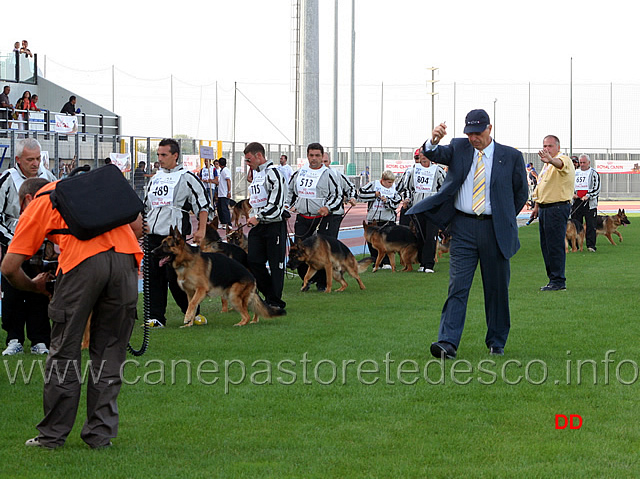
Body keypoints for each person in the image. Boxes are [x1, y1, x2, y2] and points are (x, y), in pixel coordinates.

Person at [1, 171, 143, 449]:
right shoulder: (92, 189)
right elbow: (137, 225)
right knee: (110, 353)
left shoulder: (41, 200)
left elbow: (8, 267)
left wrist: (34, 286)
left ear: (27, 197)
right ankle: (100, 435)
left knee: (64, 352)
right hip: (126, 261)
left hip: (81, 265)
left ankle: (52, 436)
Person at [407, 109, 528, 358]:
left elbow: (520, 194)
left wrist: (503, 217)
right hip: (462, 229)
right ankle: (447, 343)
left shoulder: (511, 156)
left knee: (496, 289)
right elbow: (432, 153)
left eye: (478, 132)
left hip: (495, 230)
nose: (474, 138)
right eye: (469, 133)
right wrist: (433, 140)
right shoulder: (458, 147)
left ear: (489, 128)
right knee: (457, 287)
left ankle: (496, 341)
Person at [144, 138, 210, 328]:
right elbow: (146, 206)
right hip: (153, 236)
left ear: (175, 155)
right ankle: (156, 317)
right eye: (158, 155)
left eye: (164, 155)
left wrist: (202, 229)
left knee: (176, 279)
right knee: (153, 277)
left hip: (174, 239)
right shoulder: (155, 178)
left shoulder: (187, 177)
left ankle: (192, 312)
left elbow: (203, 204)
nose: (160, 158)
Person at [0, 139, 57, 356]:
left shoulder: (49, 178)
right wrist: (12, 242)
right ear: (18, 160)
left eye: (37, 158)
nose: (35, 163)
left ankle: (40, 339)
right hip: (14, 245)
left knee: (40, 290)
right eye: (30, 159)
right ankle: (14, 338)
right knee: (12, 292)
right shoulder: (6, 180)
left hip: (42, 247)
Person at [287, 142, 342, 291]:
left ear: (322, 156)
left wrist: (328, 207)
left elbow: (337, 196)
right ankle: (306, 280)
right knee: (300, 250)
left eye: (317, 155)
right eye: (311, 155)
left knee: (323, 252)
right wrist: (286, 207)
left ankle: (322, 282)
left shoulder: (329, 174)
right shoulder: (299, 173)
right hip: (303, 217)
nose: (314, 159)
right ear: (307, 156)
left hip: (322, 218)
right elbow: (289, 192)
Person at [244, 142, 288, 310]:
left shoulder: (275, 173)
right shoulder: (257, 176)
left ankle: (275, 301)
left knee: (276, 264)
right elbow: (255, 201)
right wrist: (251, 216)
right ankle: (269, 295)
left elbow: (277, 204)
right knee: (254, 261)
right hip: (258, 226)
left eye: (249, 160)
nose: (248, 164)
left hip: (274, 225)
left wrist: (259, 216)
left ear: (259, 156)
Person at [529, 135, 575, 291]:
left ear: (558, 147)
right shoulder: (547, 166)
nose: (546, 149)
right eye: (544, 145)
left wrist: (551, 160)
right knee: (546, 246)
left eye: (550, 146)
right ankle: (553, 279)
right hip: (545, 208)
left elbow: (560, 164)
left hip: (556, 208)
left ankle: (558, 281)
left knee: (554, 246)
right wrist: (536, 206)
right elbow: (543, 186)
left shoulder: (563, 159)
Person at [398, 149, 446, 273]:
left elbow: (445, 186)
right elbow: (407, 188)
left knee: (431, 235)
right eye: (421, 156)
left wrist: (439, 199)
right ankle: (422, 263)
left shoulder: (438, 170)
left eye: (425, 155)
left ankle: (429, 264)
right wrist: (407, 199)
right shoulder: (413, 171)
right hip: (418, 206)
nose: (423, 158)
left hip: (433, 208)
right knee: (420, 235)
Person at [358, 170, 402, 268]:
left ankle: (387, 262)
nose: (390, 185)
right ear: (382, 180)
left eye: (392, 182)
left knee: (388, 242)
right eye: (389, 182)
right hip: (373, 219)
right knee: (373, 242)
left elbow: (396, 202)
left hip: (388, 220)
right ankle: (376, 261)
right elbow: (361, 193)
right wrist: (374, 194)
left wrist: (387, 201)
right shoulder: (373, 184)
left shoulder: (394, 188)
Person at [322, 151, 356, 237]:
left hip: (334, 213)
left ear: (329, 162)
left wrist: (352, 198)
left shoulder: (337, 175)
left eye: (325, 161)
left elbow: (351, 187)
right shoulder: (311, 175)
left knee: (330, 241)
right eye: (321, 161)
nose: (323, 164)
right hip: (317, 213)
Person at [572, 154, 600, 252]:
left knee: (591, 225)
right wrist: (573, 194)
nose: (582, 164)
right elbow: (570, 185)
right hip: (577, 201)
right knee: (575, 224)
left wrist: (588, 195)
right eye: (581, 162)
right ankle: (575, 245)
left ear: (589, 162)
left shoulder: (593, 173)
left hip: (589, 203)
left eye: (584, 162)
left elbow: (597, 188)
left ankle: (591, 246)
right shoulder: (575, 172)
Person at [213, 157, 232, 227]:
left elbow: (228, 181)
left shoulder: (225, 171)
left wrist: (229, 191)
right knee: (220, 209)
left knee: (224, 209)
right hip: (220, 193)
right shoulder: (222, 171)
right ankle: (223, 222)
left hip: (225, 193)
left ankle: (228, 223)